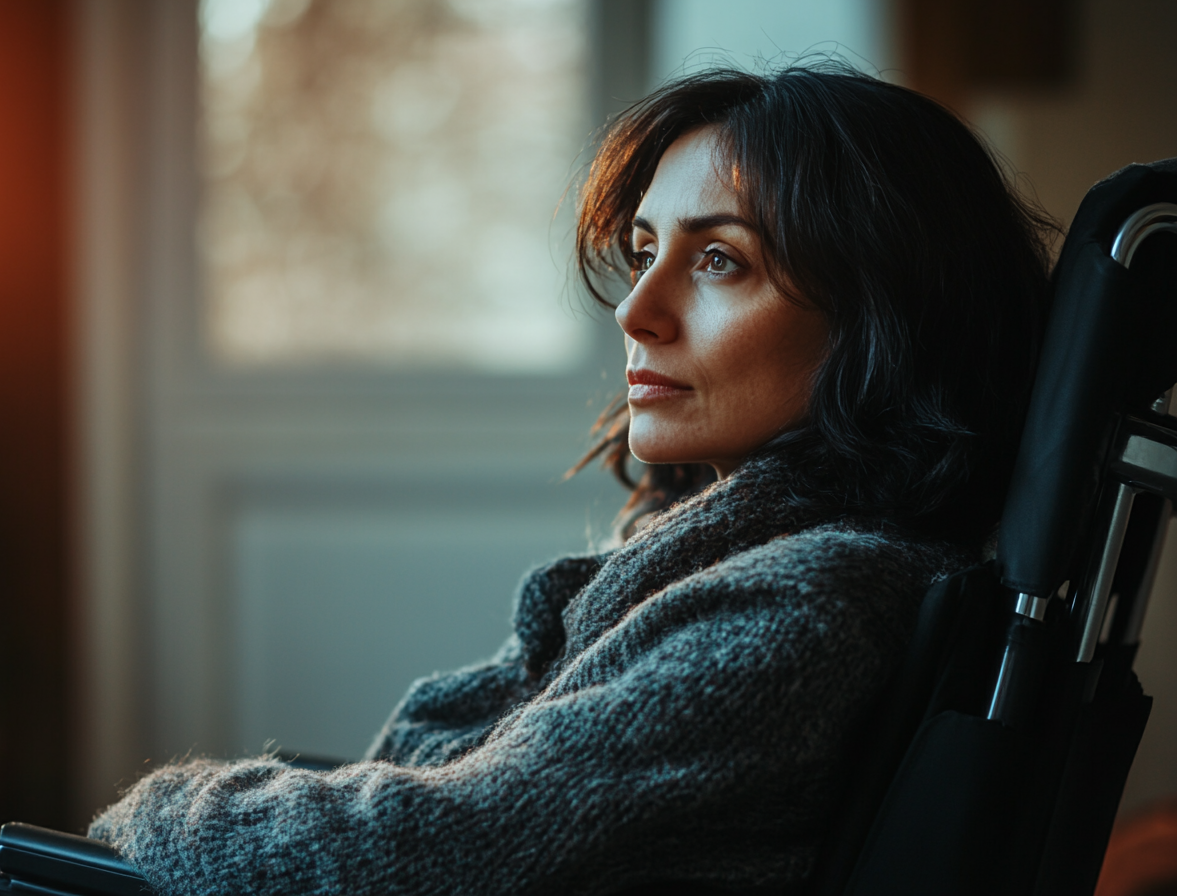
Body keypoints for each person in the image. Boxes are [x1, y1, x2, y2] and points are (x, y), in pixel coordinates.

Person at [88, 63, 1056, 895]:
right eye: (644, 250)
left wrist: (159, 806)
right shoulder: (744, 568)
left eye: (719, 259)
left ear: (882, 321)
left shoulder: (797, 612)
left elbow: (433, 853)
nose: (637, 307)